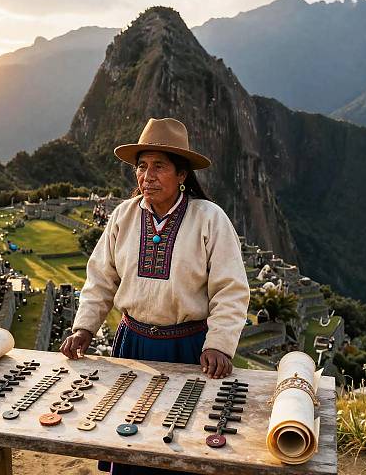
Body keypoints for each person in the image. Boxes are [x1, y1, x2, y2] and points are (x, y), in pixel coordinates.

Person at [61, 118, 250, 474]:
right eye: (141, 167)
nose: (147, 176)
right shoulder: (123, 216)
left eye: (159, 166)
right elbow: (101, 278)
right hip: (132, 345)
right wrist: (84, 328)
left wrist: (220, 344)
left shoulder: (209, 219)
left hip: (190, 349)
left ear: (182, 175)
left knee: (181, 446)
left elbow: (231, 289)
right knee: (131, 439)